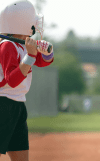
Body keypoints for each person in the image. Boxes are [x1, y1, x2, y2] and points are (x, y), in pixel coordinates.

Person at [0, 1, 54, 160]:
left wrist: (47, 53)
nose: (35, 23)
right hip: (3, 104)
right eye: (32, 19)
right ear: (21, 21)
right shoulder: (7, 46)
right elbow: (12, 80)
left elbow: (42, 62)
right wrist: (30, 56)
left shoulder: (24, 44)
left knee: (21, 157)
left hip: (18, 104)